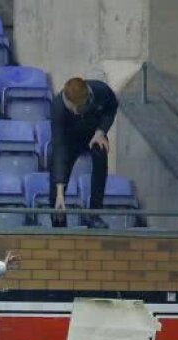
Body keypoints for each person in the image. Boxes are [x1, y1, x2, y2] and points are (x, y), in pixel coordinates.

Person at [50, 77, 119, 229]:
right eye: (72, 109)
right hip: (68, 141)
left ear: (88, 97)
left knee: (101, 151)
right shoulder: (58, 108)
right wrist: (60, 192)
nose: (75, 111)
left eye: (79, 108)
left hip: (93, 135)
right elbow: (59, 148)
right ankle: (59, 223)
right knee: (56, 184)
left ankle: (95, 214)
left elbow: (111, 107)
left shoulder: (101, 90)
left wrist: (101, 131)